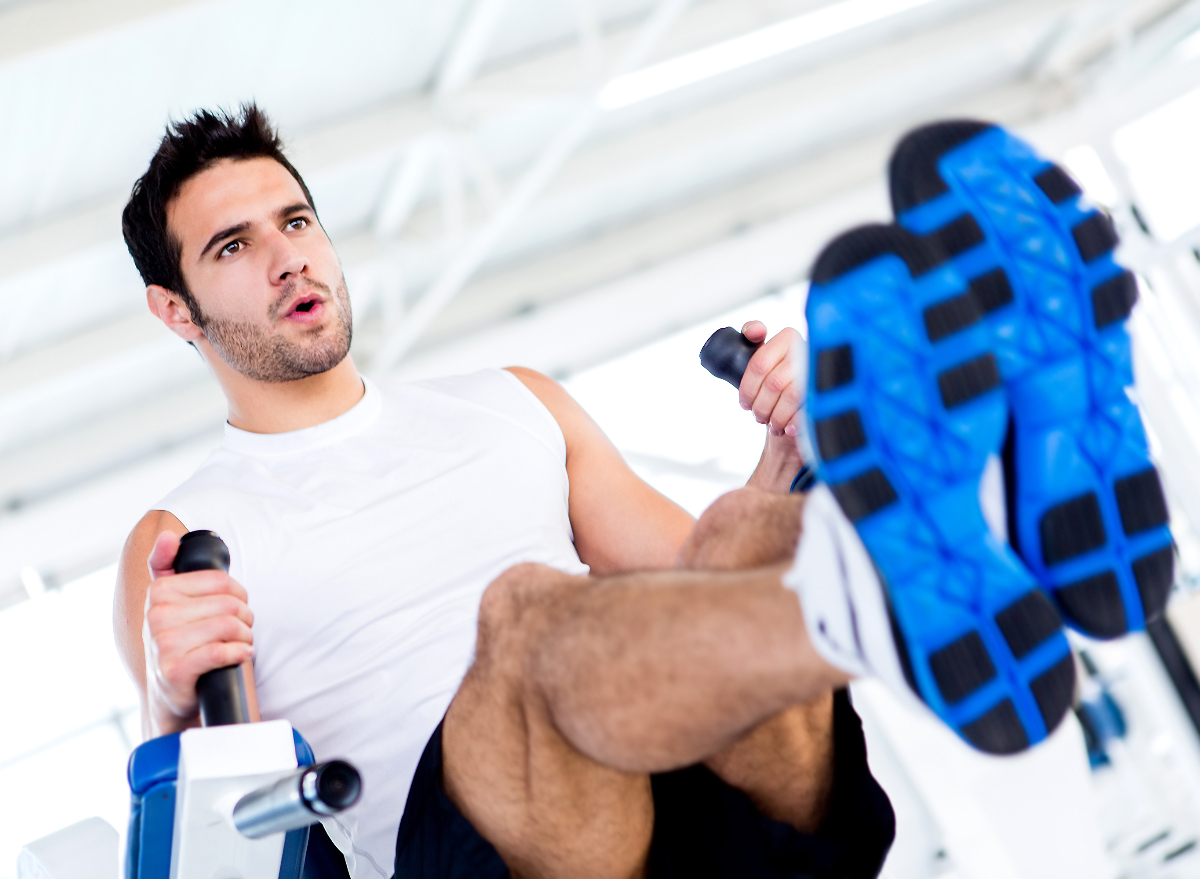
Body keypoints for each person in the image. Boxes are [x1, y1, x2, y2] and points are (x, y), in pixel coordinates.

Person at [113, 105, 895, 879]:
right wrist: (172, 697)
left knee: (739, 531)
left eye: (295, 221)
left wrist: (787, 455)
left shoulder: (511, 400)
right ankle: (884, 596)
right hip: (478, 847)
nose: (288, 260)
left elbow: (697, 591)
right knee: (522, 612)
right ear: (176, 308)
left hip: (707, 804)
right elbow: (218, 840)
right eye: (234, 246)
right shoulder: (185, 537)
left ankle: (918, 538)